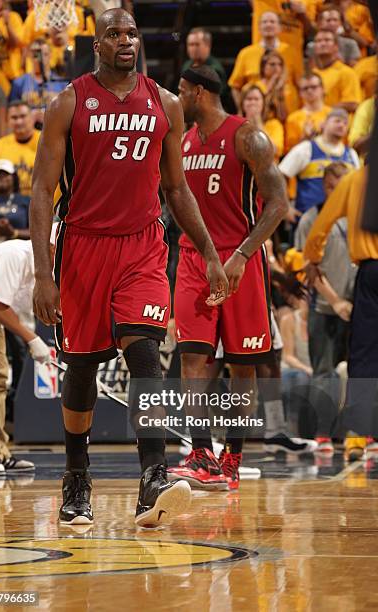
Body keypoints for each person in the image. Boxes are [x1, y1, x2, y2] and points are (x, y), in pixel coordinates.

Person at [30, 8, 228, 528]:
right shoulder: (68, 102)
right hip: (81, 248)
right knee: (82, 368)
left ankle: (153, 478)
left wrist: (209, 253)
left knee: (145, 353)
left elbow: (178, 188)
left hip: (142, 246)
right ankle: (77, 475)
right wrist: (44, 274)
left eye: (132, 33)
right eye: (114, 34)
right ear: (97, 44)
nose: (125, 41)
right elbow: (40, 193)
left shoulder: (164, 104)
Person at [167, 64, 289, 491]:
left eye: (181, 91)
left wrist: (242, 253)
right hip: (193, 258)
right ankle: (201, 455)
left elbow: (278, 204)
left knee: (243, 365)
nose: (176, 98)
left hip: (240, 260)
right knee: (192, 359)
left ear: (199, 93)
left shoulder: (247, 136)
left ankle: (231, 460)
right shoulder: (180, 142)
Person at [304, 165, 378, 460]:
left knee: (363, 355)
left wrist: (312, 257)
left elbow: (323, 222)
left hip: (371, 271)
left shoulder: (356, 178)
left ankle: (357, 437)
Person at [0, 229, 54, 477]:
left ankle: (2, 453)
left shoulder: (38, 271)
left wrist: (36, 340)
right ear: (49, 247)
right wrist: (32, 339)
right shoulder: (15, 255)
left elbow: (11, 308)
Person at [295, 162, 355, 451]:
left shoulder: (357, 216)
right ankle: (322, 433)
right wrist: (336, 300)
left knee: (362, 370)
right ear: (326, 187)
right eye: (333, 186)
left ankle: (360, 432)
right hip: (325, 306)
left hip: (358, 304)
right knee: (324, 372)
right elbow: (309, 268)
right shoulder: (312, 218)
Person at [279, 108, 359, 217]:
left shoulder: (351, 154)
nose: (341, 125)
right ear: (323, 124)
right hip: (309, 219)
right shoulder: (307, 148)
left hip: (344, 221)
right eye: (337, 121)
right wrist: (286, 207)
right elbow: (280, 176)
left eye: (345, 123)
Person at [228, 11, 302, 111]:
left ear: (280, 28)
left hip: (288, 112)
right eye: (265, 22)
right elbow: (235, 86)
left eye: (272, 22)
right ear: (258, 28)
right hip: (256, 112)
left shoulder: (291, 51)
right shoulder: (246, 53)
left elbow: (300, 84)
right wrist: (242, 110)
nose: (268, 24)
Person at [9, 40, 69, 128]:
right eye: (36, 55)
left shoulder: (62, 84)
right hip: (28, 133)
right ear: (30, 56)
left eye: (44, 54)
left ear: (50, 55)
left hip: (53, 131)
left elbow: (67, 114)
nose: (40, 59)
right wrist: (30, 116)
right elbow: (13, 112)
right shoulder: (19, 83)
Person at [0, 101, 40, 196]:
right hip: (9, 205)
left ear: (32, 118)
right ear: (7, 121)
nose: (19, 121)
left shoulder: (46, 142)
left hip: (41, 201)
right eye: (14, 118)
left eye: (23, 116)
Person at [311, 29, 362, 112]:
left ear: (336, 47)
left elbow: (353, 104)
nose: (322, 44)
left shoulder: (346, 72)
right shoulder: (312, 74)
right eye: (318, 41)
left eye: (327, 40)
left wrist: (324, 110)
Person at [285, 73, 331, 152]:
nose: (309, 91)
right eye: (305, 88)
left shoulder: (332, 114)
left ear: (322, 89)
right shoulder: (292, 118)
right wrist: (305, 137)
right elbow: (290, 152)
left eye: (314, 87)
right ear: (300, 93)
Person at [240, 85, 284, 160]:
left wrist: (258, 123)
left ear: (263, 103)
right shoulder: (236, 125)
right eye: (249, 99)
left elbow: (274, 150)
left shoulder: (274, 124)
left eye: (256, 99)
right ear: (242, 104)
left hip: (268, 167)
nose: (253, 102)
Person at [253, 50, 299, 121]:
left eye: (280, 64)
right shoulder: (254, 87)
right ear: (263, 67)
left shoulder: (289, 89)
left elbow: (286, 117)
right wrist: (270, 87)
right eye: (272, 64)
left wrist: (280, 93)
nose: (277, 68)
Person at [181, 28, 227, 94]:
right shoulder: (186, 65)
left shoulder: (215, 70)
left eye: (197, 44)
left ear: (208, 45)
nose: (193, 48)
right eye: (190, 45)